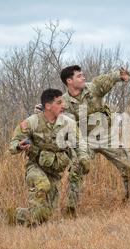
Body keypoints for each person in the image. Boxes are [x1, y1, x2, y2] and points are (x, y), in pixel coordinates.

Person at [58, 65, 130, 216]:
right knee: (76, 170)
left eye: (83, 75)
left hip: (107, 136)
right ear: (69, 81)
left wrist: (118, 75)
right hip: (85, 140)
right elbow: (52, 114)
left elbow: (104, 80)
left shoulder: (93, 89)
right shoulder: (64, 102)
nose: (83, 77)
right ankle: (70, 210)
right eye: (79, 76)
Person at [7, 88, 89, 226]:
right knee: (42, 185)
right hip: (35, 167)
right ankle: (31, 223)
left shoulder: (68, 123)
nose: (63, 105)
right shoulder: (32, 122)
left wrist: (84, 158)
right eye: (59, 102)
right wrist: (19, 146)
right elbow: (13, 144)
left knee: (45, 214)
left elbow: (79, 143)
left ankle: (15, 215)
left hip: (54, 171)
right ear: (48, 106)